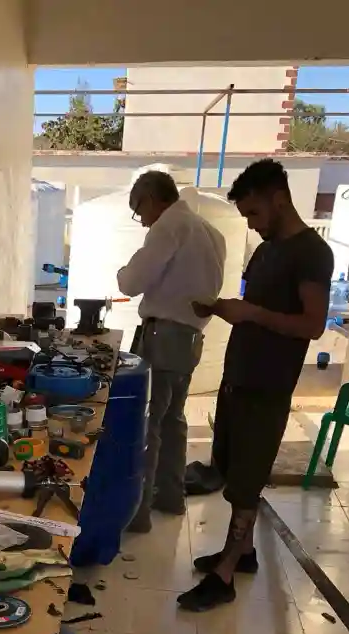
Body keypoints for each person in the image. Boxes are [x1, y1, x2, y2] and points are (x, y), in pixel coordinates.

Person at [178, 158, 334, 612]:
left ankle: (225, 575)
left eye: (253, 214)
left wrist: (250, 314)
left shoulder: (311, 253)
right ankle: (243, 554)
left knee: (247, 482)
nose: (251, 223)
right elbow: (259, 309)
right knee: (231, 469)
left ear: (278, 199)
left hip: (268, 385)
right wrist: (225, 308)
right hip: (240, 377)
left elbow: (313, 324)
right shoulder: (266, 250)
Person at [117, 170, 226, 533]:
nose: (142, 220)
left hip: (163, 336)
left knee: (149, 423)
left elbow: (132, 282)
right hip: (191, 338)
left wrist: (122, 272)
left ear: (151, 199)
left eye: (139, 210)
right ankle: (170, 497)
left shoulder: (169, 226)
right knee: (174, 419)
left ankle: (139, 513)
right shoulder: (212, 233)